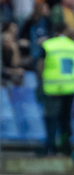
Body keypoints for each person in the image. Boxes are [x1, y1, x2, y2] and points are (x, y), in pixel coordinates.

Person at [38, 28, 74, 156]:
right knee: (65, 119)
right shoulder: (72, 45)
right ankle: (66, 147)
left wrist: (40, 83)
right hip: (69, 88)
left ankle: (50, 147)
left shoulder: (48, 45)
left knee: (51, 119)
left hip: (52, 89)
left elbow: (40, 66)